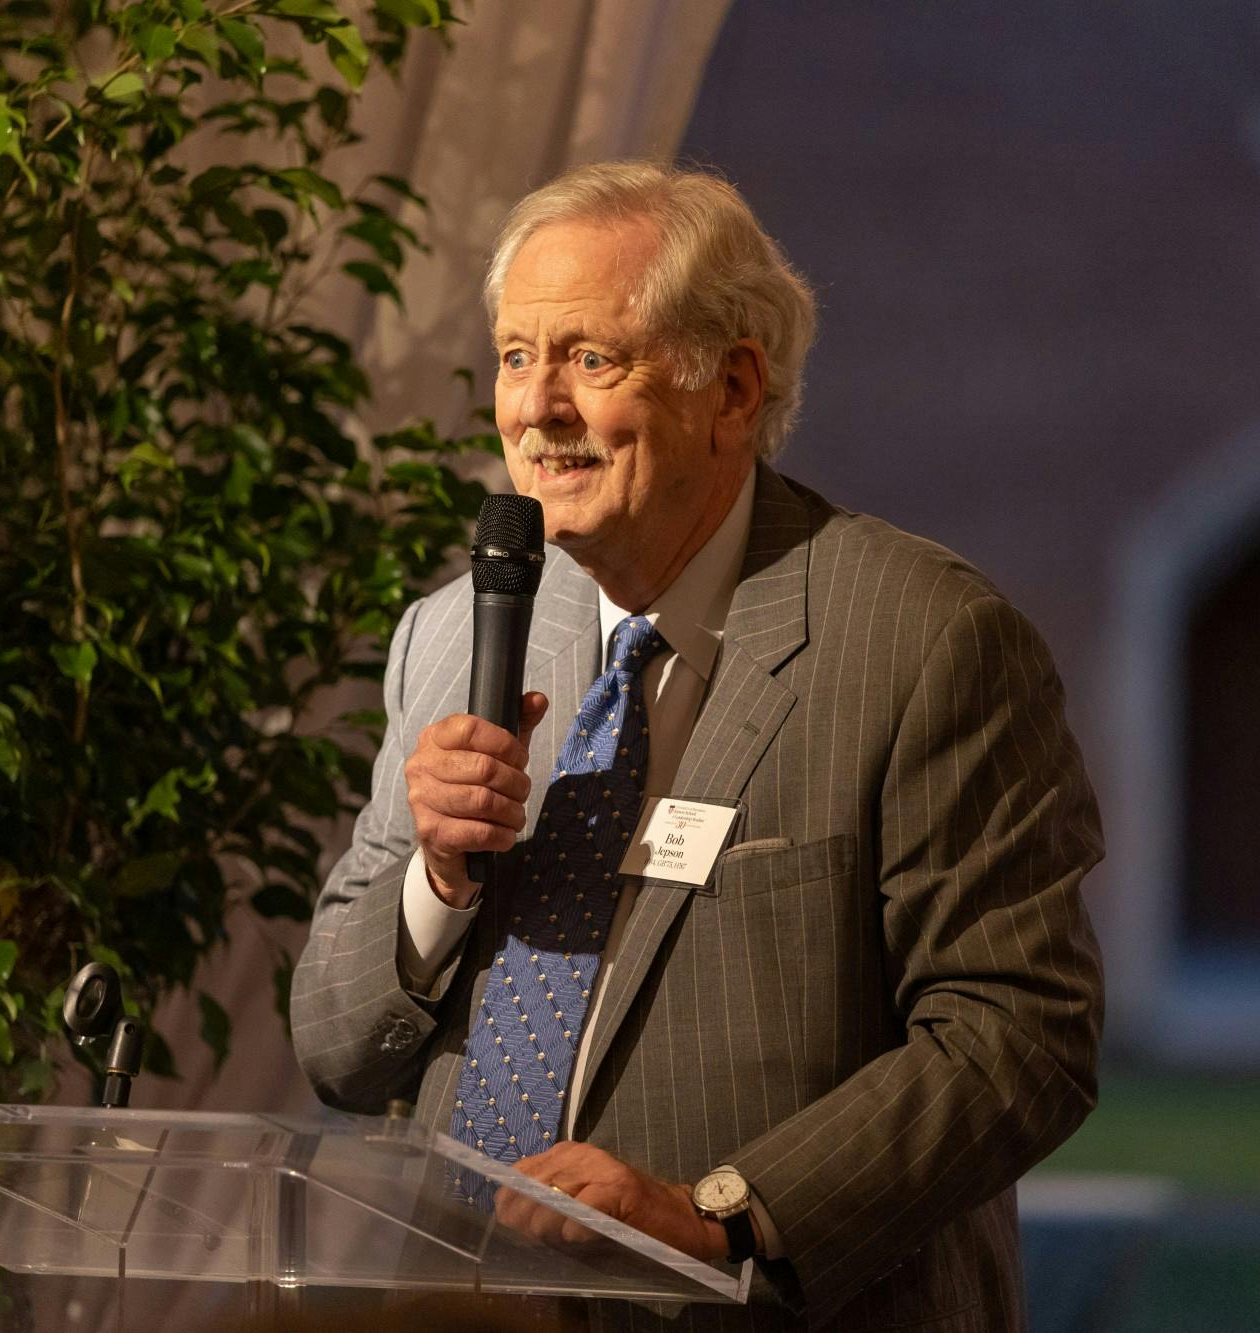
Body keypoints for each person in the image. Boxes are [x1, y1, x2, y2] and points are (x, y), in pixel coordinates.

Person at [288, 161, 1104, 1332]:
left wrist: (713, 1213)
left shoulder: (923, 639)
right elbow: (334, 1048)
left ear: (731, 386)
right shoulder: (452, 634)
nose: (535, 407)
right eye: (515, 356)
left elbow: (1018, 1036)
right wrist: (435, 878)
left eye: (589, 358)